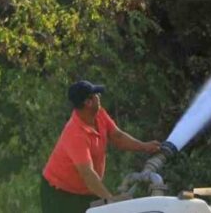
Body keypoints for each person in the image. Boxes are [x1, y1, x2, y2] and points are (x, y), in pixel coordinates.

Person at [40, 80, 163, 213]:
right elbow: (88, 174)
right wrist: (110, 199)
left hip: (86, 190)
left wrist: (145, 146)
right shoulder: (76, 134)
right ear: (88, 102)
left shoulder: (98, 114)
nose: (99, 97)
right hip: (60, 194)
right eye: (96, 95)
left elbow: (117, 137)